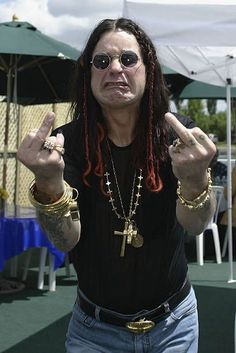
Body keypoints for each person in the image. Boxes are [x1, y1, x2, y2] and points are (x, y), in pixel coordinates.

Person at [17, 18, 216, 353]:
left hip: (174, 325)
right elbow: (65, 240)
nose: (114, 69)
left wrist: (195, 177)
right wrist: (49, 183)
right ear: (89, 74)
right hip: (94, 331)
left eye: (128, 59)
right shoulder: (67, 144)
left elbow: (196, 226)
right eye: (102, 61)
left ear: (148, 70)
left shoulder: (177, 136)